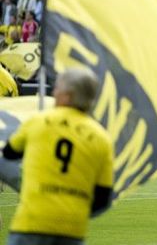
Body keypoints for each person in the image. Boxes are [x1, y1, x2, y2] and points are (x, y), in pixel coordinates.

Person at [1, 68, 114, 245]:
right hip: (73, 229)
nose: (54, 93)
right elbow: (103, 198)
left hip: (31, 223)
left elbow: (9, 153)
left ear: (68, 96)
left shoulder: (37, 121)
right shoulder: (102, 137)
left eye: (57, 89)